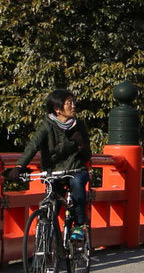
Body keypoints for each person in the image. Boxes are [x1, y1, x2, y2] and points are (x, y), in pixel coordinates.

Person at [12, 89, 92, 251]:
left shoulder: (79, 125)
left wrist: (81, 143)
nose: (73, 106)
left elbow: (87, 156)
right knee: (52, 202)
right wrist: (19, 166)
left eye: (73, 102)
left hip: (75, 168)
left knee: (77, 185)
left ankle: (78, 226)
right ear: (57, 109)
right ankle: (46, 241)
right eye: (69, 103)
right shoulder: (47, 126)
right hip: (53, 171)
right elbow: (33, 146)